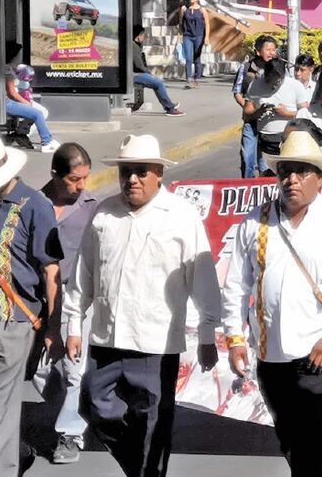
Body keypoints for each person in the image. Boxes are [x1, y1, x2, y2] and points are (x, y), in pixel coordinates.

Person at [64, 134, 221, 477]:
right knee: (93, 404)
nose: (131, 179)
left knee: (152, 423)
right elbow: (84, 272)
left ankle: (147, 470)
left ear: (158, 174)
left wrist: (208, 334)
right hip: (107, 339)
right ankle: (139, 467)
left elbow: (203, 278)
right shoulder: (104, 213)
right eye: (126, 171)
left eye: (140, 172)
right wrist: (74, 323)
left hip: (155, 342)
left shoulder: (181, 216)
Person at [223, 131, 322, 477]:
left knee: (308, 447)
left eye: (302, 171)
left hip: (318, 353)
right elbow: (235, 284)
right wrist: (234, 337)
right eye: (285, 171)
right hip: (269, 354)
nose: (292, 179)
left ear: (319, 178)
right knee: (290, 442)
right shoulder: (255, 221)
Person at [0, 133, 62, 476]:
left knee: (1, 408)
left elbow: (50, 269)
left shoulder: (33, 205)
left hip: (12, 320)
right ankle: (17, 456)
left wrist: (54, 325)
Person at [42, 144, 100, 464]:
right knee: (37, 370)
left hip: (75, 300)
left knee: (73, 369)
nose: (81, 186)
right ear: (55, 175)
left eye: (85, 178)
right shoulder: (34, 203)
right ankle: (78, 404)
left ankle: (70, 433)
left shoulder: (94, 206)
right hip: (34, 300)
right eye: (74, 180)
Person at [233, 35, 278, 177]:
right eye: (268, 49)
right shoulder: (246, 68)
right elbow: (237, 92)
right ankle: (247, 191)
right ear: (258, 51)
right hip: (251, 122)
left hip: (268, 122)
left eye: (273, 49)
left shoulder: (278, 69)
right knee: (248, 159)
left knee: (265, 163)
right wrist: (249, 108)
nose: (271, 53)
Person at [3, 43, 60, 153]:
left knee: (39, 112)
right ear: (13, 56)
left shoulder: (9, 69)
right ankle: (46, 142)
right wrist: (26, 102)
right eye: (17, 55)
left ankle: (48, 139)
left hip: (8, 101)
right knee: (38, 113)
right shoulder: (7, 71)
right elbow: (11, 92)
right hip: (7, 103)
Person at [130, 26, 184, 116]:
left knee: (156, 83)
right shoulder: (133, 46)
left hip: (133, 73)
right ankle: (170, 109)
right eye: (143, 36)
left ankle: (169, 105)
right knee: (158, 83)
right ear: (139, 36)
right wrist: (149, 74)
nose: (144, 38)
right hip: (133, 75)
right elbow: (139, 65)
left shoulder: (134, 45)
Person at [178, 0, 206, 89]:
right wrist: (179, 36)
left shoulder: (202, 10)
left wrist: (206, 38)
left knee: (197, 58)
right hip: (187, 36)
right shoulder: (184, 9)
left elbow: (208, 24)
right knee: (189, 58)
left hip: (199, 36)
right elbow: (181, 23)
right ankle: (188, 79)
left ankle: (196, 78)